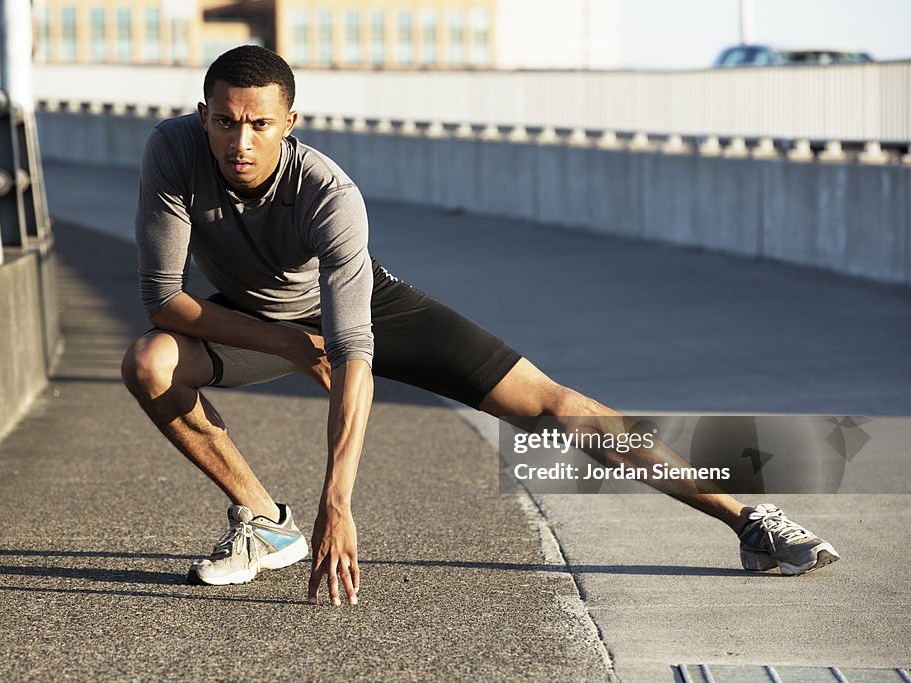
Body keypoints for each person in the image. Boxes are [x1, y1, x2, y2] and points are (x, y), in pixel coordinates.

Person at [120, 46, 839, 606]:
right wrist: (286, 341)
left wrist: (336, 501)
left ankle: (746, 519)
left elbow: (352, 351)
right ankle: (266, 522)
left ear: (290, 123)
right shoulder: (174, 151)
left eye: (258, 124)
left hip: (367, 309)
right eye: (224, 120)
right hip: (251, 317)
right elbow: (163, 299)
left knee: (554, 406)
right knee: (149, 360)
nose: (238, 141)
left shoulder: (329, 195)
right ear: (203, 113)